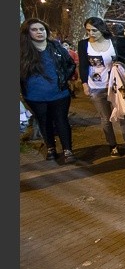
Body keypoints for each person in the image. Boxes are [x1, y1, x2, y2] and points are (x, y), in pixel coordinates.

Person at [78, 17, 125, 158]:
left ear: (102, 29)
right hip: (96, 87)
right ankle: (112, 146)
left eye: (94, 30)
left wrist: (122, 66)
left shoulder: (114, 42)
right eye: (88, 30)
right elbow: (83, 65)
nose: (91, 33)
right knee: (105, 118)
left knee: (123, 114)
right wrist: (84, 83)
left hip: (116, 86)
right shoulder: (83, 45)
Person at [19, 18, 77, 164]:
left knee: (61, 120)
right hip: (34, 96)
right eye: (34, 29)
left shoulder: (56, 48)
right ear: (27, 32)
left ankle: (67, 150)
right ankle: (51, 148)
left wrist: (64, 79)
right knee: (44, 122)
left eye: (41, 29)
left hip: (59, 94)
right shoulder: (22, 52)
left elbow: (70, 64)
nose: (39, 32)